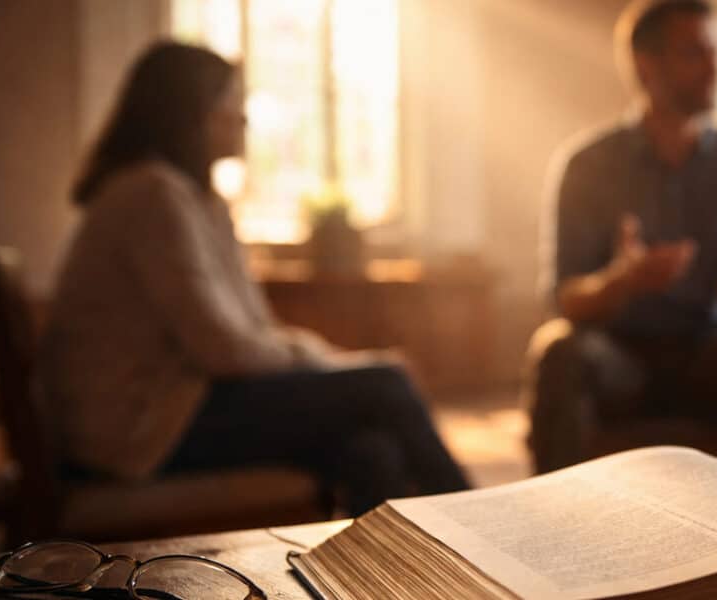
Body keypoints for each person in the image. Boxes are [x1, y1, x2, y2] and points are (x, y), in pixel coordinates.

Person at [41, 42, 469, 515]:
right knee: (385, 384)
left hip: (179, 410)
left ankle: (393, 579)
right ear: (193, 113)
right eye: (231, 102)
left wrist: (323, 360)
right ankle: (479, 530)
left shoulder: (199, 203)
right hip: (134, 434)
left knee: (370, 448)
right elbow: (224, 350)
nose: (242, 118)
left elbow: (252, 333)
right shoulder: (151, 194)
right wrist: (323, 362)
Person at [527, 0, 717, 473]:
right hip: (620, 362)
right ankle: (546, 530)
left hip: (713, 359)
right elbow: (564, 299)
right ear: (647, 66)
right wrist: (622, 281)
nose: (714, 67)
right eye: (694, 53)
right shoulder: (587, 165)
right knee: (558, 351)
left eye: (715, 52)